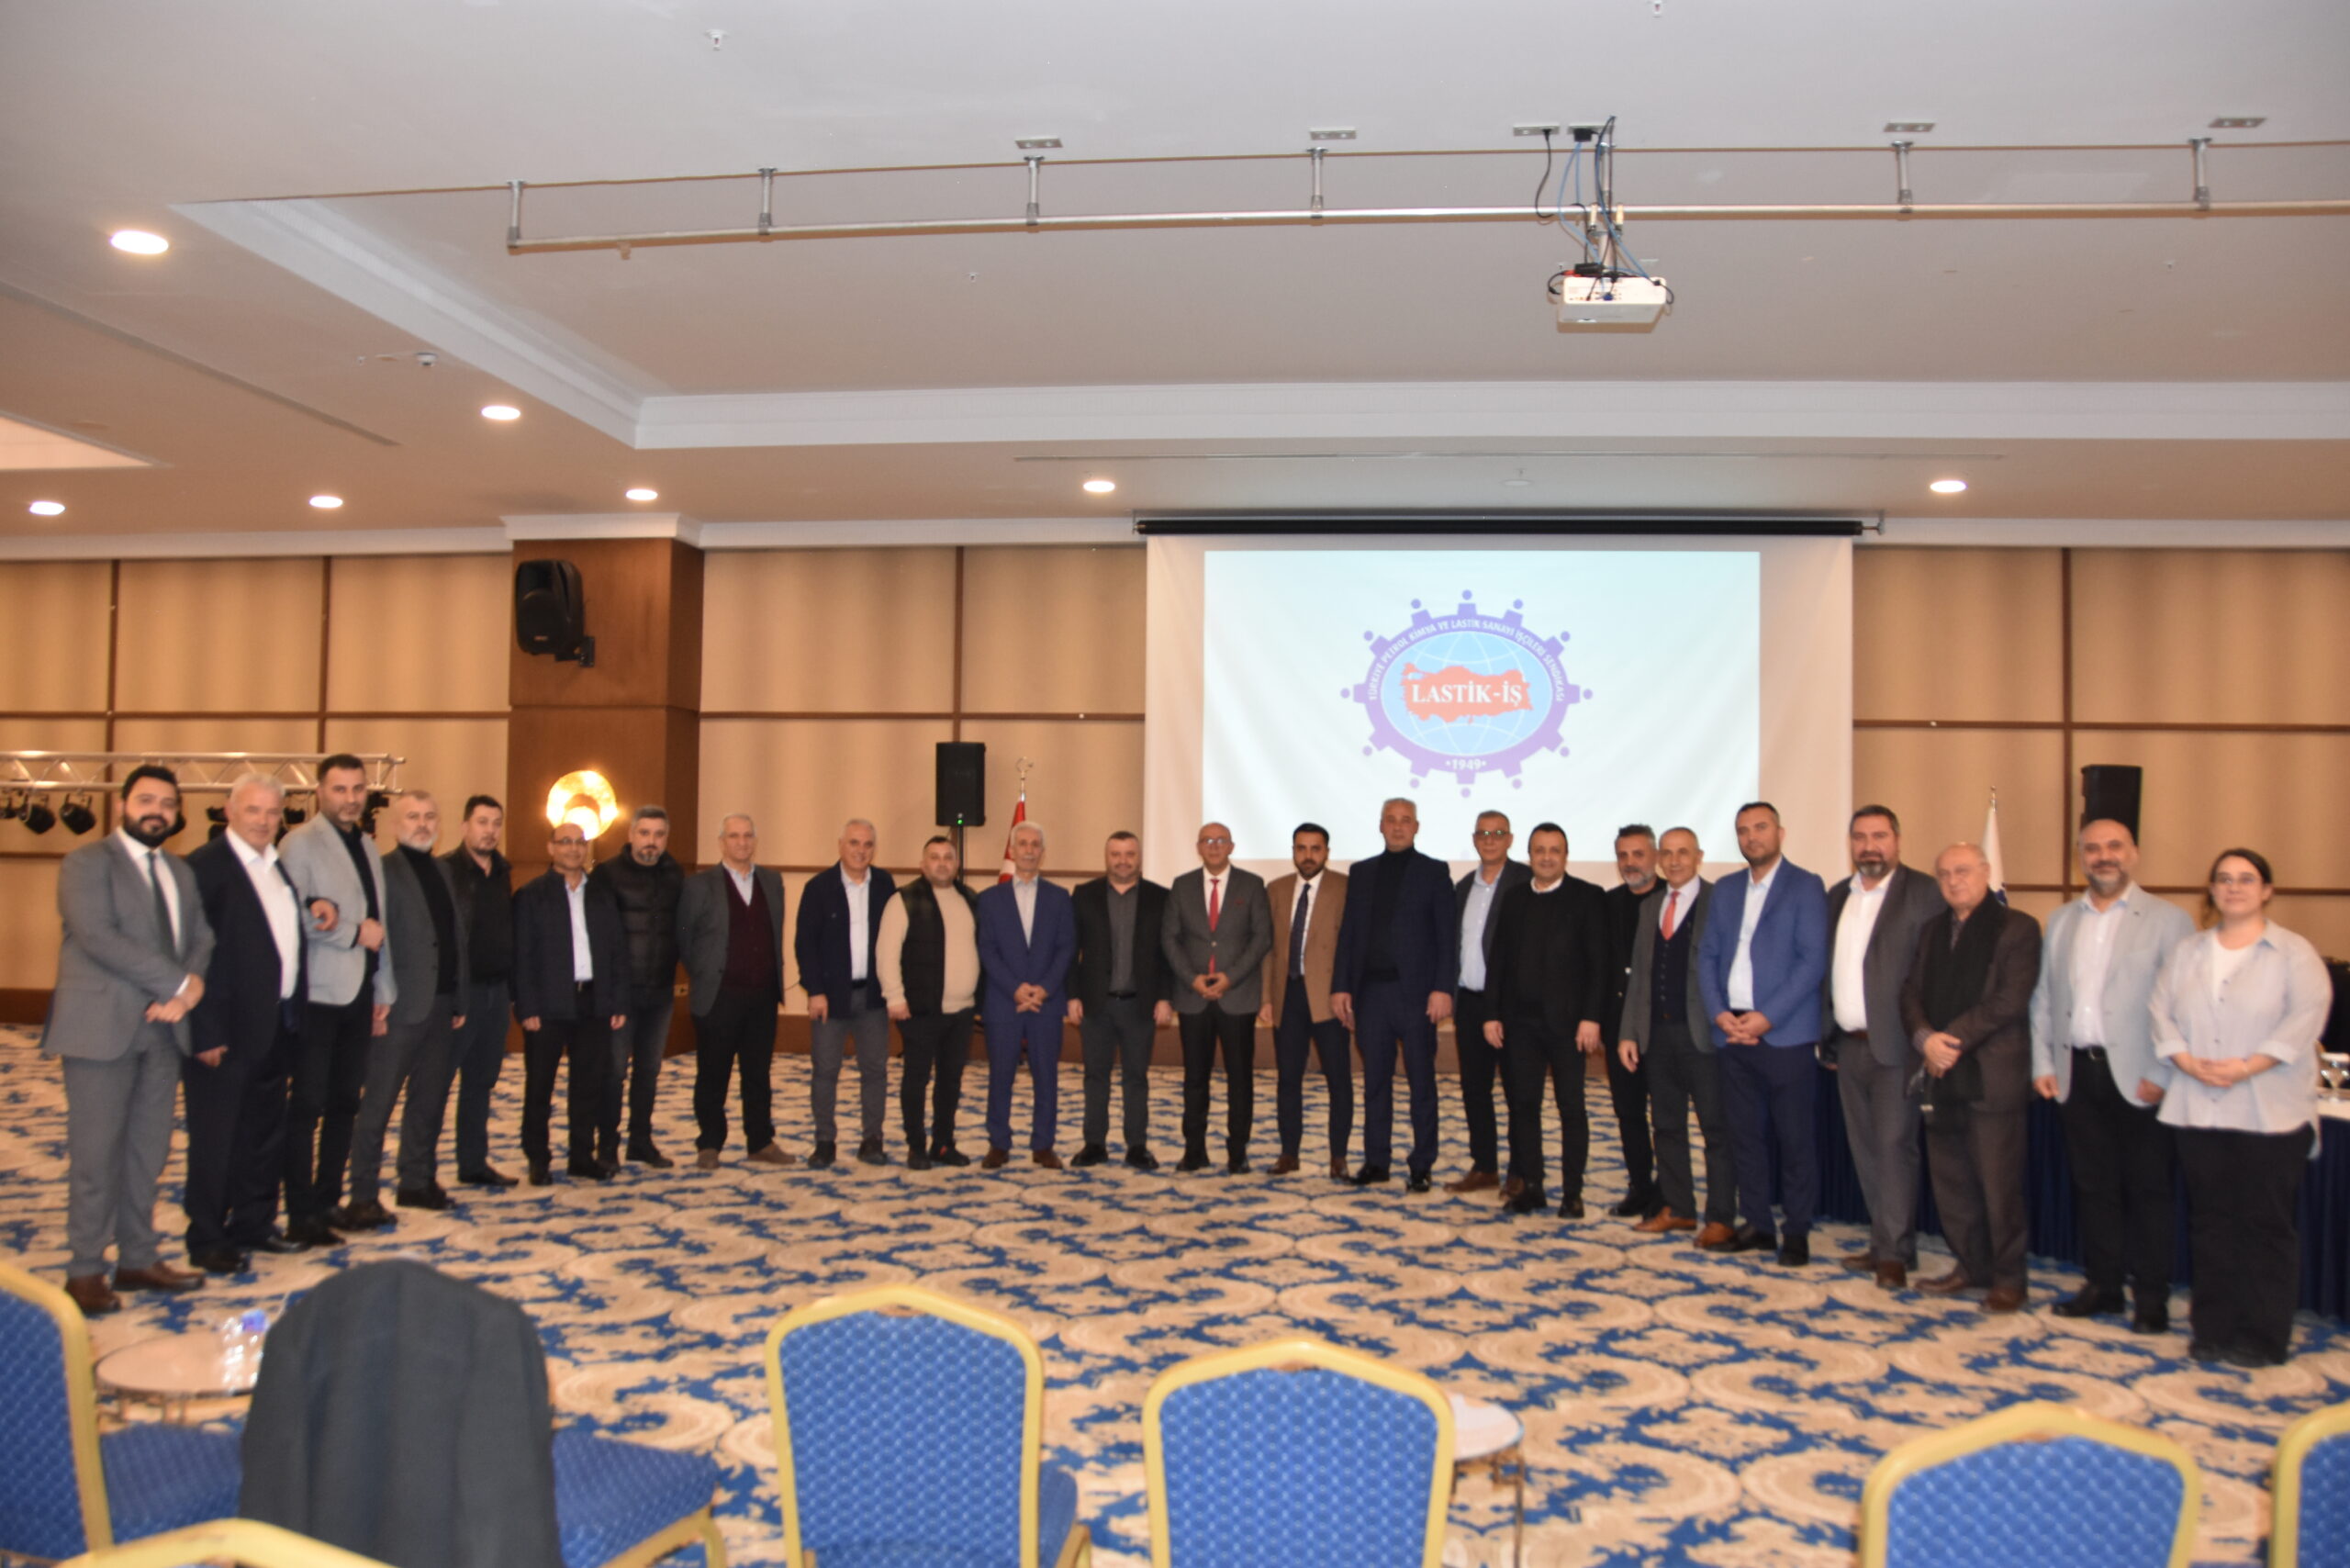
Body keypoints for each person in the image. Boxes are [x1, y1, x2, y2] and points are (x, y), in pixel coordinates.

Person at [43, 765, 215, 1315]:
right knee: (97, 1155)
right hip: (101, 1030)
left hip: (164, 1029)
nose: (156, 811)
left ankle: (138, 1258)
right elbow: (98, 936)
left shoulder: (180, 871)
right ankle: (85, 1270)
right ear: (122, 805)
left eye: (167, 803)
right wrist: (177, 983)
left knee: (148, 1152)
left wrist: (187, 992)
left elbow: (201, 937)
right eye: (146, 800)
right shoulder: (87, 862)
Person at [2153, 848, 2332, 1367]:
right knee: (2211, 1224)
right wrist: (2185, 1060)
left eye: (2246, 879)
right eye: (2224, 879)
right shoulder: (2187, 952)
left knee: (2264, 1227)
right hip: (2198, 1107)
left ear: (2266, 891)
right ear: (2212, 889)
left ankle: (2263, 1337)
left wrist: (2247, 1066)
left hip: (2269, 1111)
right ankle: (2213, 1329)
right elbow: (2159, 1011)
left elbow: (2306, 1018)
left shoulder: (2294, 953)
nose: (2234, 887)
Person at [2030, 817, 2196, 1332]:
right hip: (2077, 1074)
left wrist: (2162, 1071)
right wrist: (2044, 1063)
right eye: (2092, 848)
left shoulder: (2169, 920)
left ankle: (2151, 1299)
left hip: (2141, 1077)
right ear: (2080, 856)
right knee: (2093, 1187)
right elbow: (2044, 998)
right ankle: (2103, 1286)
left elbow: (2184, 1005)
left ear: (2134, 854)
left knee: (2148, 1192)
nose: (2103, 856)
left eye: (2114, 847)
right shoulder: (2061, 920)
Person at [1899, 843, 2042, 1313]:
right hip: (1940, 1075)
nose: (1953, 881)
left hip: (1990, 1078)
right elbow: (1910, 992)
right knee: (1953, 1183)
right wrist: (1926, 1040)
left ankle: (2009, 1279)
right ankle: (1970, 1265)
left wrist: (1948, 1042)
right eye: (1944, 874)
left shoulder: (2018, 928)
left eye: (1963, 871)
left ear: (1986, 871)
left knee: (1998, 1186)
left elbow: (2009, 1000)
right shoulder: (1932, 930)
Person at [1695, 801, 1830, 1265]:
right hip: (1731, 1033)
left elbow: (1812, 962)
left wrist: (1766, 1017)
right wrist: (1719, 1013)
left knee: (1794, 1140)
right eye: (1743, 830)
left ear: (1780, 833)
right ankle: (1756, 1224)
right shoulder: (1727, 889)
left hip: (1784, 1036)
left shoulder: (1806, 886)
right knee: (1744, 1137)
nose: (1751, 837)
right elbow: (1708, 955)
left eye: (1760, 827)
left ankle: (1796, 1230)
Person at [184, 775, 305, 1274]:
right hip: (225, 1031)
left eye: (273, 812)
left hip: (274, 1024)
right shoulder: (205, 867)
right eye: (253, 810)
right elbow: (193, 956)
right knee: (216, 1140)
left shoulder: (275, 865)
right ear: (229, 810)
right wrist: (204, 1030)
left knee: (263, 1133)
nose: (264, 820)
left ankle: (254, 1223)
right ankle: (207, 1237)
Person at [1821, 805, 1942, 1290]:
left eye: (1879, 836)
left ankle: (1894, 1251)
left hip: (1899, 1047)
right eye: (1860, 837)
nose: (1869, 846)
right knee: (1866, 1149)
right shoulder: (1838, 895)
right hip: (1849, 1045)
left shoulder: (1925, 893)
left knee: (1894, 1148)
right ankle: (1887, 1242)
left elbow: (1935, 969)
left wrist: (1927, 1037)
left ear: (1897, 840)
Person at [278, 753, 395, 1247]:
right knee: (307, 1106)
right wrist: (351, 933)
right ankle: (300, 1212)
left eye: (357, 789)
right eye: (340, 789)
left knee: (346, 1103)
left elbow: (380, 924)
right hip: (318, 995)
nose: (350, 799)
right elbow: (291, 914)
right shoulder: (299, 843)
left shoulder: (367, 845)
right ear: (320, 792)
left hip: (358, 994)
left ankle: (328, 1201)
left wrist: (382, 989)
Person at [346, 790, 468, 1224]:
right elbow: (375, 941)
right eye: (413, 816)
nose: (422, 823)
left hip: (441, 1004)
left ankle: (416, 1181)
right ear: (396, 825)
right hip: (397, 1006)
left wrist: (459, 996)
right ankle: (362, 1193)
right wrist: (377, 997)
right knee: (377, 1104)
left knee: (429, 1100)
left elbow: (453, 937)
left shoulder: (443, 870)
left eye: (430, 816)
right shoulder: (382, 871)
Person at [1330, 798, 1458, 1193]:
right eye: (1391, 820)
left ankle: (1422, 1164)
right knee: (1375, 1082)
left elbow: (1447, 936)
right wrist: (1341, 986)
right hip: (1371, 994)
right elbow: (1349, 934)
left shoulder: (1434, 872)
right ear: (1380, 825)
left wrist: (1443, 988)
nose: (1398, 827)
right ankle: (1376, 1161)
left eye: (1406, 820)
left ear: (1416, 827)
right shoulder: (1362, 872)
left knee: (1421, 1082)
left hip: (1417, 996)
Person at [1483, 823, 1610, 1217]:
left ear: (1566, 855)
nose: (1547, 857)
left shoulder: (1588, 897)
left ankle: (1572, 1193)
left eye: (1555, 850)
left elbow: (1600, 965)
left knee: (1571, 1107)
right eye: (1540, 850)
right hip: (1520, 1024)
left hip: (1570, 1027)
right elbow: (1499, 961)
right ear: (1530, 855)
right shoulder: (1515, 897)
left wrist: (1591, 1018)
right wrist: (1491, 1014)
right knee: (1524, 1105)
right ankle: (1533, 1186)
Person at [1618, 827, 1738, 1246]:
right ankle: (1679, 1208)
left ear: (1698, 857)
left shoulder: (1719, 902)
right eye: (1667, 853)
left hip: (1704, 1036)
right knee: (1666, 1126)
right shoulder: (1650, 907)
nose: (1673, 861)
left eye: (1682, 853)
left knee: (1716, 1130)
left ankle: (1721, 1216)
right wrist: (1629, 1032)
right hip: (1657, 1035)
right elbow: (1639, 975)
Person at [510, 821, 629, 1184]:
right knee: (540, 1086)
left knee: (588, 1084)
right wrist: (526, 1007)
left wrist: (617, 1002)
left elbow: (617, 952)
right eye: (566, 842)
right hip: (547, 1005)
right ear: (551, 848)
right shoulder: (531, 895)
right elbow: (521, 956)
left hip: (593, 1002)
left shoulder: (602, 895)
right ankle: (538, 1158)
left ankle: (581, 1156)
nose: (574, 849)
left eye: (580, 842)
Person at [677, 814, 794, 1170]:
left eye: (747, 836)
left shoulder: (772, 881)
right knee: (713, 1073)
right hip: (719, 996)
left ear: (754, 840)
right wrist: (706, 974)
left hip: (762, 997)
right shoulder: (700, 886)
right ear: (721, 842)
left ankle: (760, 1141)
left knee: (758, 1073)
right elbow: (684, 939)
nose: (741, 842)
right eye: (733, 836)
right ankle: (710, 1143)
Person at [1162, 822, 1273, 1174]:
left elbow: (1262, 938)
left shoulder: (1252, 885)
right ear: (1198, 847)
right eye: (1207, 840)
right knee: (1195, 1078)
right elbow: (1169, 938)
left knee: (1240, 1079)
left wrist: (1230, 978)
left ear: (1232, 847)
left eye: (1221, 840)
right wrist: (1192, 979)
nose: (1214, 846)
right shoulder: (1181, 886)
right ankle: (1194, 1150)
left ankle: (1237, 1152)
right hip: (1193, 997)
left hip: (1237, 996)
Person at [1069, 832, 1175, 1170]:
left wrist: (1165, 997)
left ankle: (1137, 1146)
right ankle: (1094, 1144)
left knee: (1136, 1079)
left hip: (1140, 1005)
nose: (1123, 861)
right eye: (1116, 854)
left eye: (1129, 854)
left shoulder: (1160, 897)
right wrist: (1072, 995)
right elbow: (1071, 950)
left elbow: (1167, 954)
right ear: (1107, 857)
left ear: (1138, 857)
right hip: (1095, 1004)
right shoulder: (1084, 895)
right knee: (1095, 1077)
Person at [795, 818, 898, 1166]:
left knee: (875, 1071)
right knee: (825, 1071)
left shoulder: (884, 884)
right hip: (830, 997)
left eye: (867, 844)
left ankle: (872, 1140)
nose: (860, 850)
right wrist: (814, 991)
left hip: (873, 997)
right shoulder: (818, 887)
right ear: (840, 845)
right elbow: (805, 944)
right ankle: (825, 1141)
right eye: (854, 843)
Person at [974, 822, 1076, 1169]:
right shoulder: (990, 899)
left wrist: (1044, 988)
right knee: (1000, 1076)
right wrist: (1015, 988)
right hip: (1004, 1001)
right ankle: (998, 1143)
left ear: (1042, 853)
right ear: (1012, 851)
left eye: (1035, 845)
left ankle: (1043, 1145)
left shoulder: (1060, 897)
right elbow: (986, 949)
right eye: (1023, 844)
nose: (1029, 850)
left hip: (1046, 1002)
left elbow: (1066, 948)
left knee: (1046, 1077)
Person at [878, 835, 982, 1170]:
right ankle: (916, 1146)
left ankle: (943, 1143)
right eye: (934, 857)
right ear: (923, 864)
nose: (941, 863)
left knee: (951, 1081)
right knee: (916, 1080)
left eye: (948, 857)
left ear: (957, 864)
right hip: (919, 1010)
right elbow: (886, 953)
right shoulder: (903, 900)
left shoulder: (970, 899)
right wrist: (894, 997)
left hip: (962, 1011)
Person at [1258, 823, 1355, 1180]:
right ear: (1293, 852)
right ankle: (1289, 1153)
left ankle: (1338, 1157)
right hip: (1288, 996)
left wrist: (1349, 994)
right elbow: (1269, 949)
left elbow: (1352, 946)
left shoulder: (1345, 887)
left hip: (1330, 997)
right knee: (1288, 1079)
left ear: (1327, 852)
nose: (1308, 856)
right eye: (1301, 848)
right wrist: (1266, 997)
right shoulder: (1277, 889)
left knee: (1338, 1080)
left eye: (1316, 848)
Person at [591, 804, 684, 1169]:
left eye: (659, 835)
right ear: (631, 835)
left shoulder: (675, 874)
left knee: (649, 1071)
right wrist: (608, 994)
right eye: (644, 833)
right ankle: (607, 1145)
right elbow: (599, 938)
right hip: (621, 994)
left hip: (659, 992)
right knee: (613, 1072)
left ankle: (640, 1141)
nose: (651, 842)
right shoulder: (607, 874)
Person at [1448, 812, 1531, 1193]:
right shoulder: (1464, 886)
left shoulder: (1526, 881)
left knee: (1517, 1090)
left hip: (1511, 1007)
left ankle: (1520, 1170)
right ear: (1474, 839)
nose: (1490, 839)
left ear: (1510, 839)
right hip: (1470, 1002)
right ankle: (1484, 1166)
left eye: (1498, 832)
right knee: (1475, 1089)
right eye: (1483, 833)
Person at [444, 795, 517, 1188]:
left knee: (481, 1081)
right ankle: (418, 1173)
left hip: (495, 993)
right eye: (482, 822)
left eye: (496, 823)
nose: (490, 831)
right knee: (438, 1082)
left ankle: (473, 1163)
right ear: (464, 827)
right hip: (462, 992)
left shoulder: (503, 871)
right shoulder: (447, 870)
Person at [1599, 824, 1662, 1219]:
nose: (1630, 863)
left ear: (1655, 857)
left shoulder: (1674, 899)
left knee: (1667, 1115)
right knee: (1629, 1112)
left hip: (1664, 1028)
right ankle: (1640, 1186)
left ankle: (1670, 1190)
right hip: (1619, 1027)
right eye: (1623, 856)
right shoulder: (1607, 904)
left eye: (1638, 854)